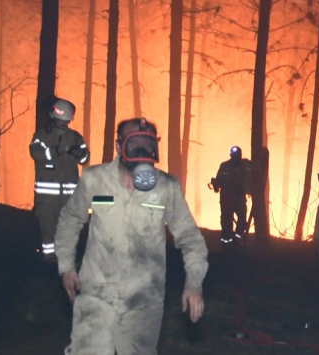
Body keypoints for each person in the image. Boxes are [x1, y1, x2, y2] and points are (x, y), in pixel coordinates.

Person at [54, 117, 209, 355]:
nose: (142, 151)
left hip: (144, 302)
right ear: (119, 147)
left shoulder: (166, 187)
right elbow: (70, 220)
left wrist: (194, 284)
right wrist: (66, 266)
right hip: (95, 295)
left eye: (148, 145)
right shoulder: (95, 179)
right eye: (134, 144)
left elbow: (191, 239)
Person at [29, 97, 89, 262]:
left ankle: (66, 256)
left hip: (69, 195)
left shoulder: (75, 137)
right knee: (48, 225)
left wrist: (79, 153)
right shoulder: (41, 136)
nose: (63, 124)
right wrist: (57, 150)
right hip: (47, 196)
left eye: (66, 120)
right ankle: (49, 256)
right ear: (52, 116)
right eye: (60, 120)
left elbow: (85, 159)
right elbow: (36, 154)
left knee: (69, 226)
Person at [211, 146, 252, 245]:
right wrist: (215, 184)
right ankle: (226, 243)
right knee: (226, 221)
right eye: (234, 155)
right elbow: (219, 181)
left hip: (239, 198)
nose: (235, 157)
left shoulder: (245, 166)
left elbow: (252, 174)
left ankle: (238, 239)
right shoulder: (224, 166)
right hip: (226, 198)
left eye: (237, 155)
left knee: (242, 219)